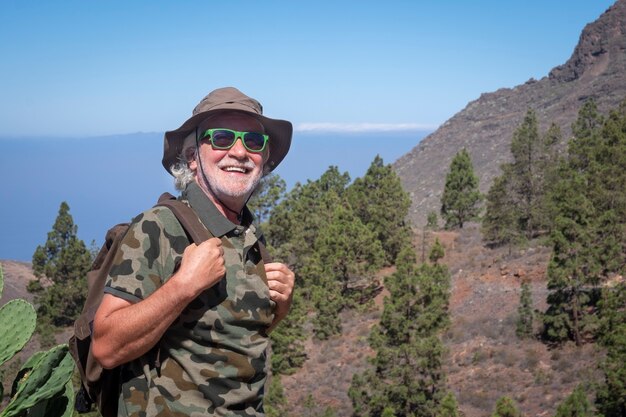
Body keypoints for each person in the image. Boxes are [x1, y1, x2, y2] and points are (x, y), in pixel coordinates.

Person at [92, 87, 295, 416]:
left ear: (265, 159)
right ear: (191, 157)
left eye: (254, 142)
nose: (240, 151)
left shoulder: (249, 236)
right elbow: (106, 347)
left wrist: (279, 310)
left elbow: (230, 337)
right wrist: (182, 286)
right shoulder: (158, 228)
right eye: (222, 138)